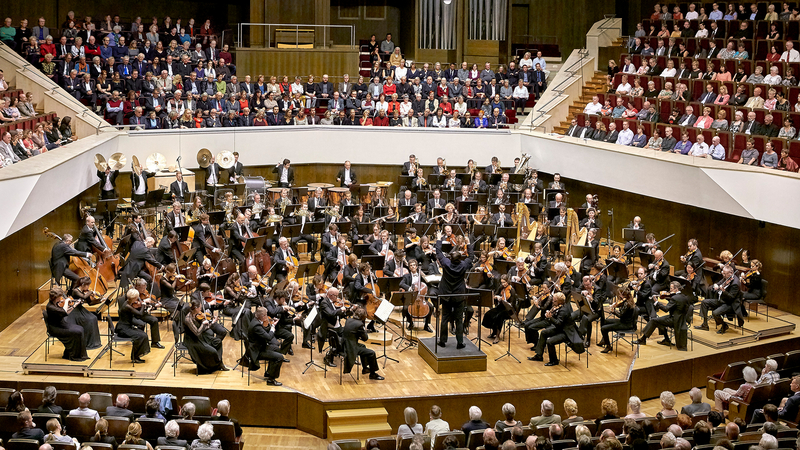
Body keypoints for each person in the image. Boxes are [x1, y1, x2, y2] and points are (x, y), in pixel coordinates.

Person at [184, 299, 227, 374]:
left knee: (218, 342)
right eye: (200, 307)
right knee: (212, 351)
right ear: (196, 308)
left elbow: (205, 328)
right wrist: (203, 324)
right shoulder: (188, 319)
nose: (201, 309)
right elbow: (197, 333)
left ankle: (220, 364)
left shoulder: (197, 315)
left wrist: (212, 322)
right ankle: (211, 367)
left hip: (201, 336)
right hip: (193, 341)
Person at [45, 288, 88, 361]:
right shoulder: (50, 307)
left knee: (80, 329)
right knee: (77, 332)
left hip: (61, 324)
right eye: (59, 297)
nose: (61, 298)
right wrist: (66, 302)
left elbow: (65, 313)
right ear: (55, 297)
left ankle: (76, 354)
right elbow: (64, 311)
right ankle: (73, 355)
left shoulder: (55, 303)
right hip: (55, 328)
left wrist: (74, 305)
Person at [343, 305, 384, 380]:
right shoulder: (359, 324)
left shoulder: (349, 320)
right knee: (371, 353)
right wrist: (363, 329)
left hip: (345, 344)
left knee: (363, 347)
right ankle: (373, 374)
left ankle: (365, 368)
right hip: (351, 347)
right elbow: (365, 338)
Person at [247, 306, 285, 386]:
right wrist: (273, 328)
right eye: (266, 314)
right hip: (257, 351)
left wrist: (272, 325)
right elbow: (268, 337)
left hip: (259, 346)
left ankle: (269, 372)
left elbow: (263, 332)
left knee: (276, 348)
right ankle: (271, 380)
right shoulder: (256, 326)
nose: (267, 316)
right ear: (262, 316)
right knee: (279, 357)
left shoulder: (256, 321)